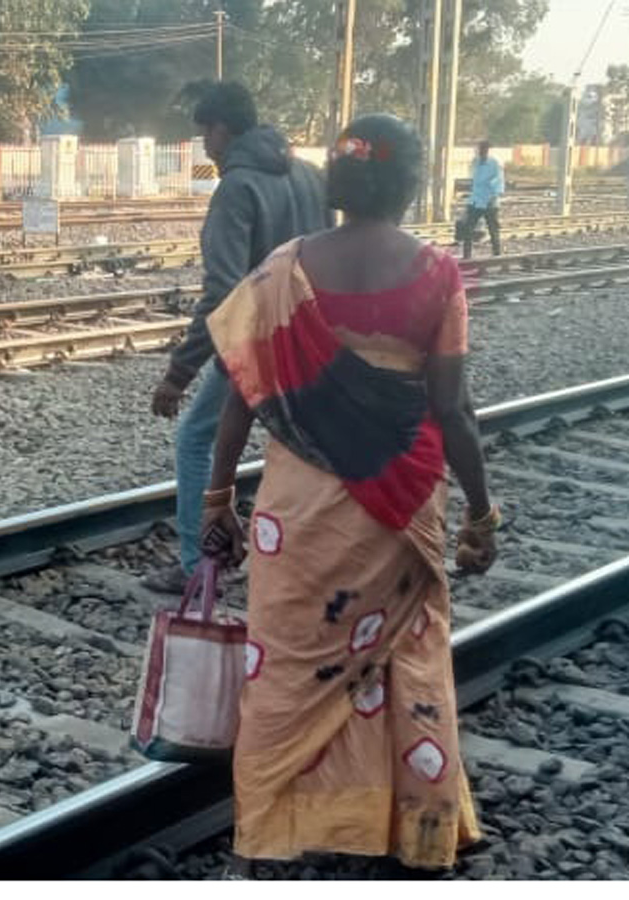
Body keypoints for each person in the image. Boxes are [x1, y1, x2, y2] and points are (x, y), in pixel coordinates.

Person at [200, 114, 499, 870]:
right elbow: (453, 411)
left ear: (338, 182)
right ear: (413, 181)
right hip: (401, 503)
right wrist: (482, 512)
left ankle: (277, 824)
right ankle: (413, 824)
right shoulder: (436, 275)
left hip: (298, 512)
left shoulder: (282, 271)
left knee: (293, 659)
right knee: (407, 651)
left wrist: (217, 501)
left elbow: (242, 392)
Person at [144, 81, 332, 594]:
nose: (205, 143)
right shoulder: (310, 176)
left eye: (205, 131)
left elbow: (223, 292)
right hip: (311, 341)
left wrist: (178, 372)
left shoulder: (237, 188)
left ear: (222, 129)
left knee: (195, 440)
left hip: (254, 340)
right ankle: (299, 560)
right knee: (297, 448)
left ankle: (195, 565)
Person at [460, 140, 503, 258]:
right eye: (479, 149)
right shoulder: (475, 162)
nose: (481, 152)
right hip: (476, 201)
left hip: (490, 202)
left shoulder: (494, 164)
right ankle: (467, 255)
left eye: (483, 149)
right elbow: (474, 182)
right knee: (468, 228)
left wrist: (493, 197)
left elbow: (498, 183)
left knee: (493, 229)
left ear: (487, 150)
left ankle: (497, 254)